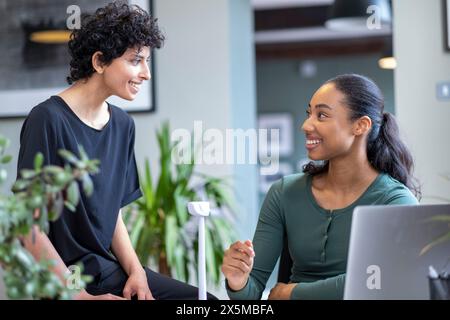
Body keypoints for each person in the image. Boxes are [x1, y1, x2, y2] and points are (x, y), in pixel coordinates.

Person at [18, 1, 215, 300]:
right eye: (136, 60)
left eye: (147, 61)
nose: (146, 73)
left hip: (109, 272)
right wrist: (80, 296)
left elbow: (111, 218)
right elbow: (27, 227)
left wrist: (137, 272)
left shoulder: (123, 125)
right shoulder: (47, 120)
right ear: (99, 62)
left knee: (204, 303)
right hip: (66, 281)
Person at [221, 73, 421, 300]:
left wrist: (293, 293)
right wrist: (238, 282)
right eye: (309, 114)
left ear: (360, 126)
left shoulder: (396, 201)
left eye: (322, 115)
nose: (306, 125)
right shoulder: (284, 192)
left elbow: (380, 278)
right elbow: (251, 296)